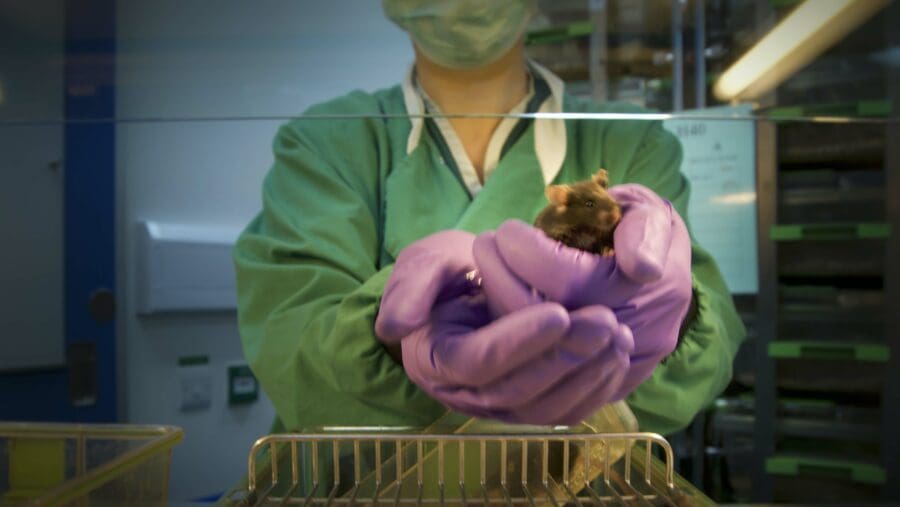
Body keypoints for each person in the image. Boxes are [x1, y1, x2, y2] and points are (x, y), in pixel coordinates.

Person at [233, 0, 745, 437]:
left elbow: (704, 359)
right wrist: (399, 337)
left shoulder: (628, 140)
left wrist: (665, 317)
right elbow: (294, 355)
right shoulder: (330, 142)